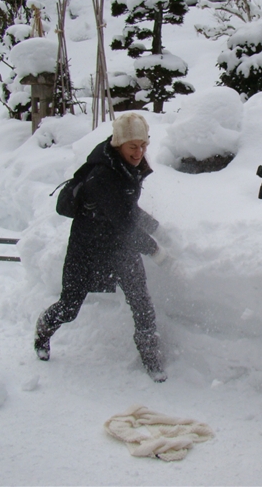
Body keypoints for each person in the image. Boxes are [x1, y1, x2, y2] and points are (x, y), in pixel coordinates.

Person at [34, 112, 173, 383]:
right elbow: (124, 223)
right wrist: (157, 251)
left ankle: (151, 357)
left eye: (143, 145)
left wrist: (157, 228)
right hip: (88, 249)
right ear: (118, 144)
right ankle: (43, 329)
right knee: (69, 307)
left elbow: (127, 209)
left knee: (142, 303)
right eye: (133, 146)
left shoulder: (125, 166)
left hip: (120, 248)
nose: (139, 152)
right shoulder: (102, 175)